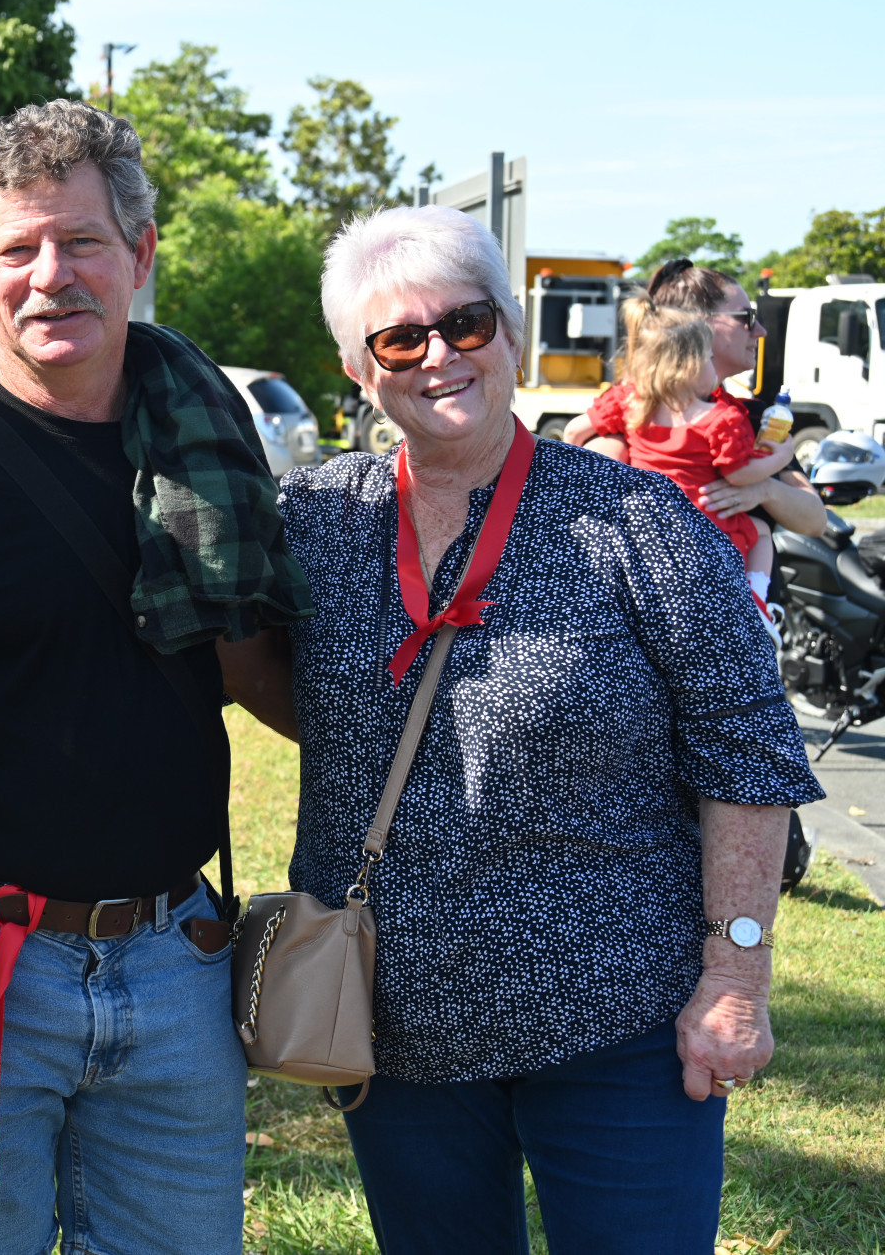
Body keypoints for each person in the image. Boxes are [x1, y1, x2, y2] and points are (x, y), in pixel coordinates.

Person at [0, 100, 310, 1255]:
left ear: (137, 255)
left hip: (174, 955)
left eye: (80, 242)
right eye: (19, 248)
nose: (51, 276)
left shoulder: (202, 448)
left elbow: (252, 673)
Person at [280, 205, 822, 1255]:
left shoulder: (637, 523)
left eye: (466, 323)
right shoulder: (314, 523)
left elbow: (746, 757)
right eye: (400, 337)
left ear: (511, 336)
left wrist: (735, 979)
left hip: (619, 1024)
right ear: (356, 367)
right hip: (396, 1033)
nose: (439, 355)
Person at [566, 258, 827, 538]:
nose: (761, 331)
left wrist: (763, 490)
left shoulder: (748, 416)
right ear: (694, 325)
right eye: (746, 317)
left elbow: (814, 521)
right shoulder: (633, 411)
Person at [587, 296, 791, 629]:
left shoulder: (632, 408)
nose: (713, 367)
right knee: (763, 532)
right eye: (708, 358)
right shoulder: (722, 418)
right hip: (708, 528)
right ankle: (757, 603)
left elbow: (574, 429)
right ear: (688, 365)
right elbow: (738, 474)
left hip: (649, 532)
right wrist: (781, 457)